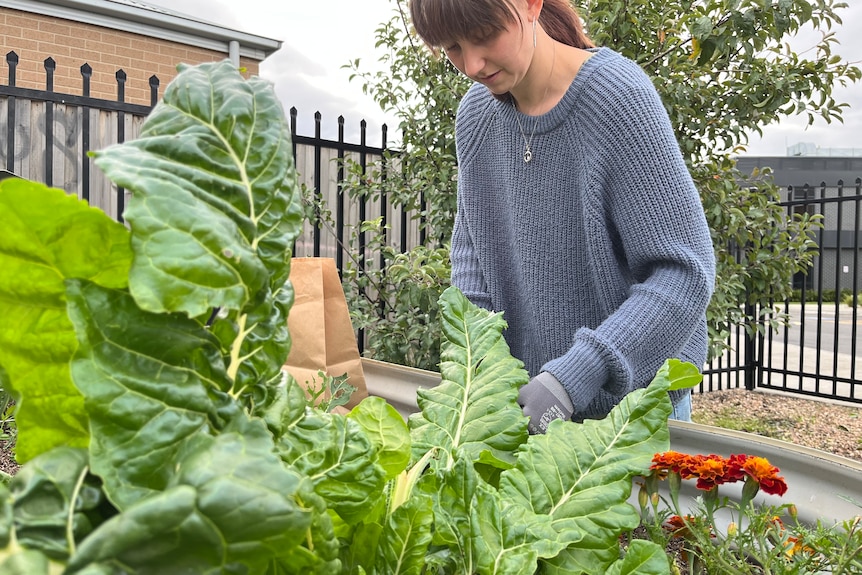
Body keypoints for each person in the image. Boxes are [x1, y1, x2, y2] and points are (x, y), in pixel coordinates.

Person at [408, 0, 716, 431]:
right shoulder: (476, 116)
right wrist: (476, 370)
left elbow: (684, 273)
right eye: (453, 48)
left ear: (531, 5)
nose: (473, 64)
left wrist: (573, 377)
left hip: (632, 415)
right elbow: (472, 260)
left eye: (484, 36)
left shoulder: (617, 98)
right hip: (531, 412)